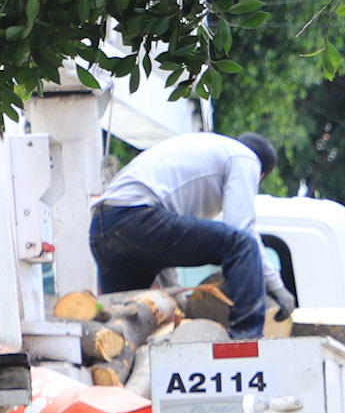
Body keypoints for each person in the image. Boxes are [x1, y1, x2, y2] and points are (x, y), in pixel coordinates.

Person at [90, 131, 283, 340]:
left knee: (125, 325)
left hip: (103, 226)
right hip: (135, 217)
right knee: (242, 244)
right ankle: (247, 337)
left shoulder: (205, 151)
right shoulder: (245, 158)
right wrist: (278, 288)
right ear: (260, 175)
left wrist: (177, 298)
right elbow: (242, 230)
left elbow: (167, 248)